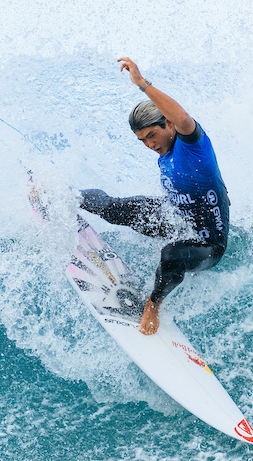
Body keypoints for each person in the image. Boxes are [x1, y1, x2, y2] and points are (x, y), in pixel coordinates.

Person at [78, 57, 230, 335]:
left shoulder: (194, 148)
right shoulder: (164, 152)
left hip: (208, 244)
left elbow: (184, 118)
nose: (149, 145)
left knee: (171, 254)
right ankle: (67, 195)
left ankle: (153, 304)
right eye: (142, 141)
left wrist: (142, 84)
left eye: (152, 135)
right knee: (117, 208)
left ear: (169, 124)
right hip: (177, 222)